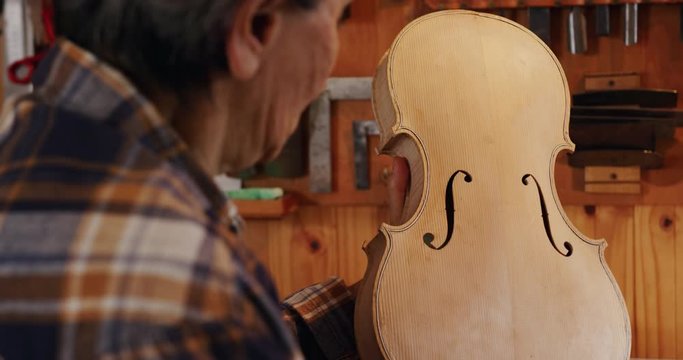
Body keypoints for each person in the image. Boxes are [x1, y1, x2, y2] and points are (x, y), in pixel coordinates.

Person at [0, 0, 410, 359]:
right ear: (258, 26)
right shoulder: (190, 296)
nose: (325, 75)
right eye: (337, 20)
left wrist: (372, 299)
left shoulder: (22, 149)